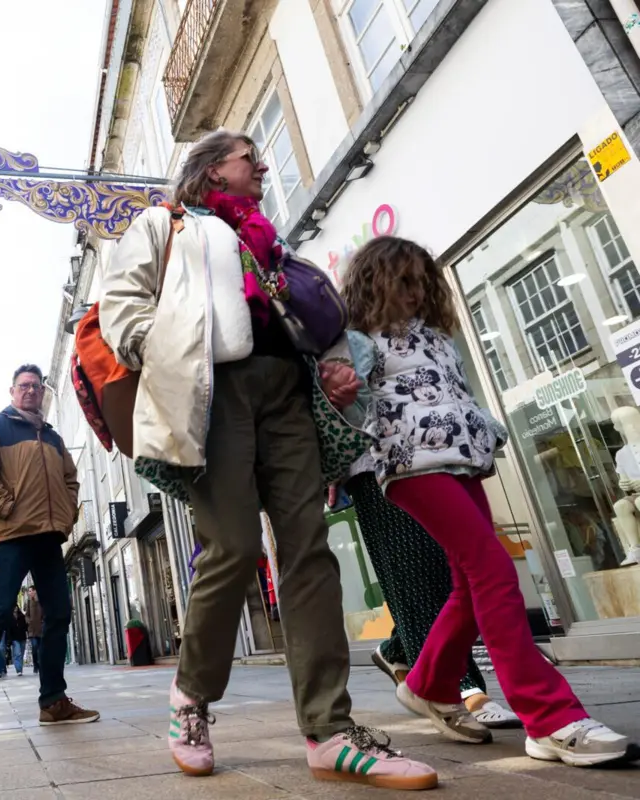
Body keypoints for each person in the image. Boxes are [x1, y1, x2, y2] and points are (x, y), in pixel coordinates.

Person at [97, 130, 436, 789]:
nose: (260, 163)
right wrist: (161, 345)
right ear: (209, 169)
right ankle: (191, 698)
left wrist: (329, 369)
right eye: (247, 155)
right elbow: (122, 308)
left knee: (308, 549)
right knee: (230, 546)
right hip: (210, 392)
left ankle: (330, 730)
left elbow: (300, 317)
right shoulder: (164, 225)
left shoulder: (265, 237)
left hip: (286, 390)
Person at [341, 236, 636, 767]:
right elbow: (347, 407)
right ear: (376, 283)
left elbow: (455, 396)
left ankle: (428, 682)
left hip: (461, 460)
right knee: (493, 570)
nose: (414, 292)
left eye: (421, 282)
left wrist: (485, 430)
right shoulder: (358, 341)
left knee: (470, 583)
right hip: (408, 465)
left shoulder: (436, 337)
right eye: (402, 282)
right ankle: (549, 717)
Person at [0, 365, 99, 732]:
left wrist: (67, 513)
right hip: (13, 534)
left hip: (49, 535)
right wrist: (8, 506)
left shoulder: (55, 438)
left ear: (42, 392)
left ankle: (53, 701)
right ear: (12, 391)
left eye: (36, 386)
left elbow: (71, 479)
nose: (30, 391)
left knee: (59, 613)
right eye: (23, 386)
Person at [336, 475, 521, 731]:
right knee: (414, 566)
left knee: (449, 566)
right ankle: (457, 685)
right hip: (381, 454)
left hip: (437, 449)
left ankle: (399, 650)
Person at [24, 585, 43, 673]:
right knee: (35, 647)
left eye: (31, 591)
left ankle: (41, 665)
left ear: (35, 591)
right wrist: (28, 621)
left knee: (41, 648)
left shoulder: (41, 601)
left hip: (40, 628)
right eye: (29, 591)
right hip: (32, 629)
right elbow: (27, 614)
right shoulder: (28, 602)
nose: (29, 593)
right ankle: (36, 665)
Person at [9, 604, 28, 676]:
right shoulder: (10, 618)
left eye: (16, 606)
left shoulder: (22, 616)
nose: (15, 608)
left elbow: (26, 627)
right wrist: (9, 639)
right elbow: (8, 629)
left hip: (22, 637)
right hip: (14, 638)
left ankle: (20, 669)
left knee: (21, 654)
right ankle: (18, 670)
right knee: (17, 654)